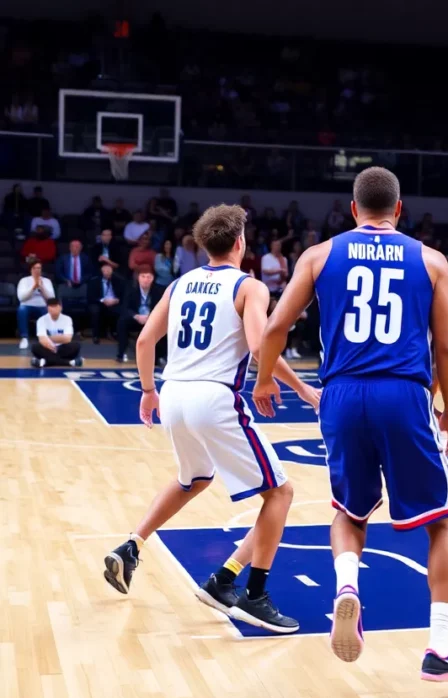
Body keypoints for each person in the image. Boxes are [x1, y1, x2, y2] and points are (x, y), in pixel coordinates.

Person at [253, 167, 448, 682]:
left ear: (352, 210)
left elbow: (273, 327)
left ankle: (348, 586)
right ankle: (440, 648)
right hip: (402, 393)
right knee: (442, 520)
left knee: (350, 512)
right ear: (399, 210)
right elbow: (447, 347)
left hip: (340, 394)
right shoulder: (432, 260)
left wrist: (266, 380)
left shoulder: (318, 255)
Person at [102, 204, 321, 634]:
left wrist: (148, 391)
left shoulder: (180, 283)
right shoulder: (249, 286)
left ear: (203, 245)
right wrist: (303, 389)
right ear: (240, 243)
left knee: (194, 479)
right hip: (214, 398)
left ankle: (133, 545)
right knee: (280, 495)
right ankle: (253, 595)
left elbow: (146, 340)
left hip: (175, 395)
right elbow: (260, 347)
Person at [116, 267, 166, 363]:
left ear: (153, 278)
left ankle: (160, 356)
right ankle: (121, 353)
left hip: (152, 320)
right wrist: (137, 316)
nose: (146, 280)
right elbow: (125, 307)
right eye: (143, 277)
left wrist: (150, 317)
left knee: (165, 326)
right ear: (138, 278)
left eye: (148, 277)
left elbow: (163, 308)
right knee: (122, 322)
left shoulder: (159, 290)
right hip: (136, 318)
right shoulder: (130, 288)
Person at [31, 298, 82, 367]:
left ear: (61, 307)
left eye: (56, 306)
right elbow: (42, 339)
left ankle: (45, 362)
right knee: (35, 347)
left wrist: (48, 338)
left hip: (62, 347)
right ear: (47, 308)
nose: (54, 309)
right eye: (51, 307)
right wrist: (50, 342)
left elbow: (67, 339)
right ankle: (69, 362)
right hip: (47, 347)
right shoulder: (41, 320)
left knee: (76, 346)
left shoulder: (67, 319)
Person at [17, 259, 56, 350]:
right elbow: (21, 298)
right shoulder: (24, 281)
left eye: (39, 268)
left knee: (49, 310)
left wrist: (42, 288)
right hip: (27, 306)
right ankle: (24, 338)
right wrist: (33, 288)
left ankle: (45, 338)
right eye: (35, 268)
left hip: (42, 306)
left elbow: (52, 299)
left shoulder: (47, 281)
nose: (37, 270)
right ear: (31, 270)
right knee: (21, 309)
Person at [88, 263, 124, 342]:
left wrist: (116, 300)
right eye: (105, 270)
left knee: (121, 310)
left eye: (109, 270)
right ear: (101, 271)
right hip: (99, 302)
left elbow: (123, 295)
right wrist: (103, 300)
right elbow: (91, 296)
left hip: (114, 302)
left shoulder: (119, 280)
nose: (107, 272)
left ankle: (115, 333)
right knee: (95, 311)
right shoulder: (94, 281)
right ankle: (96, 335)